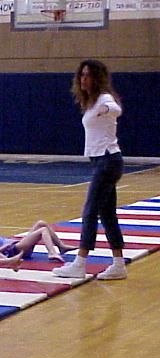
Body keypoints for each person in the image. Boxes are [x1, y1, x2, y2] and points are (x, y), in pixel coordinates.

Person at [53, 60, 127, 280]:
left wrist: (108, 109)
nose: (83, 79)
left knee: (89, 211)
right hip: (102, 162)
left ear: (97, 78)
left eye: (88, 75)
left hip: (108, 161)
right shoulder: (91, 102)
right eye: (81, 75)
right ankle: (119, 264)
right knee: (107, 214)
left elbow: (116, 109)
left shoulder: (104, 99)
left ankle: (80, 263)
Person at [0, 214, 75, 262]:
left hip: (16, 246)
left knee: (41, 223)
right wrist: (5, 246)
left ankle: (61, 246)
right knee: (43, 230)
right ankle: (52, 252)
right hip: (13, 250)